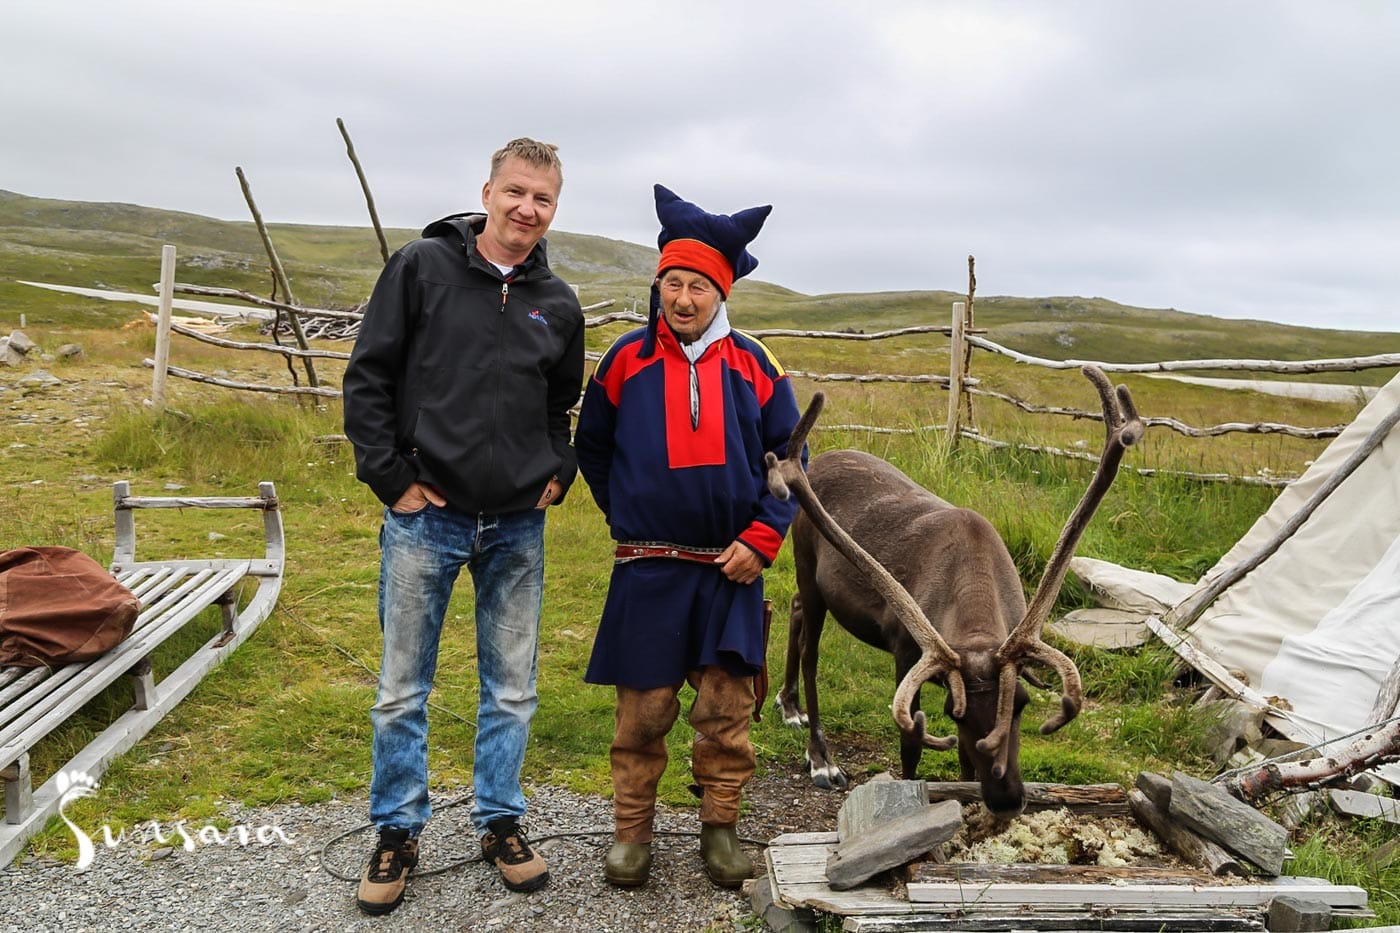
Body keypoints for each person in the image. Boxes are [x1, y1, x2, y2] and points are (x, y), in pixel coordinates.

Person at [342, 137, 584, 915]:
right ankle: (396, 831)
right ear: (487, 193)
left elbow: (559, 404)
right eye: (515, 191)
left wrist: (557, 468)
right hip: (428, 516)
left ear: (554, 208)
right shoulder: (422, 268)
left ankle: (500, 821)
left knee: (511, 687)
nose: (526, 209)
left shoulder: (559, 301)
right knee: (401, 689)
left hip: (516, 524)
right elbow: (369, 376)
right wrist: (392, 479)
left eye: (542, 198)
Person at [574, 184, 804, 889]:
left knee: (727, 709)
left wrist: (762, 539)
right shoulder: (624, 360)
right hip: (648, 568)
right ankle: (632, 833)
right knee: (643, 711)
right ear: (658, 285)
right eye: (672, 283)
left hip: (731, 570)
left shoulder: (757, 366)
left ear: (720, 291)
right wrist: (626, 516)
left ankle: (720, 828)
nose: (683, 298)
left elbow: (791, 462)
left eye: (698, 285)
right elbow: (593, 448)